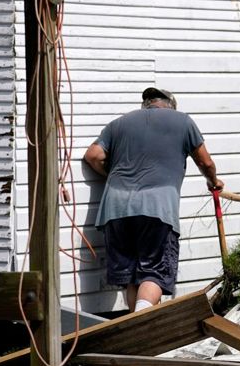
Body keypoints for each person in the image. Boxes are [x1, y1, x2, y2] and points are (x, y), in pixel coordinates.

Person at [83, 86, 223, 312]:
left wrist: (113, 176)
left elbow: (93, 156)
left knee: (131, 276)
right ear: (171, 106)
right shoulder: (182, 121)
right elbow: (206, 163)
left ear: (145, 105)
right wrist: (213, 181)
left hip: (115, 208)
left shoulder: (119, 124)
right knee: (154, 273)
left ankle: (135, 335)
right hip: (156, 208)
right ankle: (142, 323)